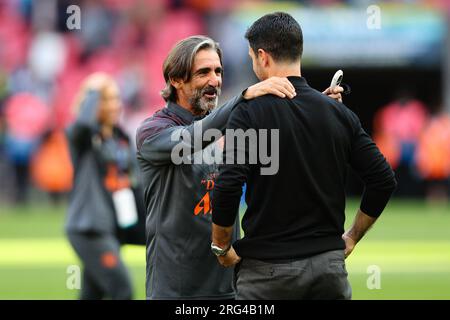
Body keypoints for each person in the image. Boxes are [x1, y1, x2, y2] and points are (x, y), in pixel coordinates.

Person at [136, 35, 344, 300]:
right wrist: (243, 98)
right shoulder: (152, 132)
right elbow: (192, 138)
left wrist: (319, 112)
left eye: (218, 71)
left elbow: (283, 153)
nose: (215, 80)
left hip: (232, 283)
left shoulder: (227, 128)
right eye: (203, 72)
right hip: (176, 290)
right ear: (175, 79)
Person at [211, 12, 397, 300]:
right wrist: (351, 237)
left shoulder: (248, 111)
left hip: (268, 273)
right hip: (329, 270)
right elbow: (383, 180)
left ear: (263, 57)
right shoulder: (338, 112)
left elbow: (228, 184)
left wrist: (221, 246)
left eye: (251, 57)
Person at [66, 73, 143, 300]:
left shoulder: (121, 139)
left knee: (91, 296)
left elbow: (134, 183)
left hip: (113, 229)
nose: (113, 105)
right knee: (122, 290)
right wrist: (93, 91)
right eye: (106, 99)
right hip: (90, 229)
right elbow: (82, 124)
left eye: (115, 98)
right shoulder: (82, 138)